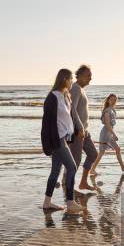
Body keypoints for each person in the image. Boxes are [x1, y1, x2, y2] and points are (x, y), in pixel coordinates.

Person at [41, 68, 86, 214]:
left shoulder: (65, 96)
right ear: (65, 79)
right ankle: (70, 202)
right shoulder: (52, 97)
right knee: (72, 167)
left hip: (64, 138)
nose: (72, 81)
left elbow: (69, 118)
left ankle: (47, 202)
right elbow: (46, 123)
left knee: (55, 171)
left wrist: (77, 131)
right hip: (56, 140)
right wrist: (47, 144)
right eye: (71, 79)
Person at [68, 65, 98, 191]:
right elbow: (72, 110)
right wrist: (80, 128)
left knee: (92, 154)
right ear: (79, 76)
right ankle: (68, 185)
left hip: (84, 131)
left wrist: (84, 129)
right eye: (88, 76)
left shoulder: (80, 89)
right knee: (75, 160)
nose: (90, 79)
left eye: (90, 76)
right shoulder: (75, 88)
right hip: (77, 131)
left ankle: (83, 182)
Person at [89, 94, 124, 174]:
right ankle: (92, 169)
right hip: (106, 133)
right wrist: (114, 134)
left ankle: (122, 167)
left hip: (109, 133)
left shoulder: (112, 110)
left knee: (117, 149)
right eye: (112, 100)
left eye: (115, 100)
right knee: (101, 152)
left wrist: (112, 134)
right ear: (108, 100)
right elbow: (107, 124)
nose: (113, 102)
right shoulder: (107, 111)